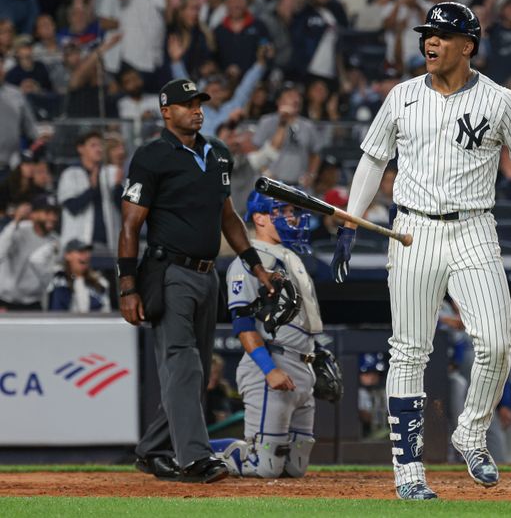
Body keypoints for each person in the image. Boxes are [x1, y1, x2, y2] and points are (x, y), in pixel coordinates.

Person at [329, 2, 511, 500]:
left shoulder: (502, 100)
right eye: (428, 34)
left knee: (496, 342)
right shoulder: (401, 96)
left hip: (473, 229)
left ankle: (470, 432)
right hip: (412, 232)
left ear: (468, 44)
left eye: (442, 36)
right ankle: (408, 473)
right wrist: (351, 225)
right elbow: (373, 159)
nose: (430, 42)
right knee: (409, 352)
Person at [117, 77, 282, 484]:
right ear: (166, 111)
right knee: (184, 365)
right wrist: (127, 286)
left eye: (199, 103)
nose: (197, 109)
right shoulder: (152, 156)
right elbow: (130, 224)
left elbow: (229, 218)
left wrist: (255, 265)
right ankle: (194, 457)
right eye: (187, 104)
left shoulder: (218, 154)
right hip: (169, 272)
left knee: (191, 370)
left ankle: (154, 449)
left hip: (209, 276)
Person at [210, 190, 321, 478]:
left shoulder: (289, 257)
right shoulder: (249, 262)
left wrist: (317, 355)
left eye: (290, 212)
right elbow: (242, 324)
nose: (291, 218)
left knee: (294, 467)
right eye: (281, 212)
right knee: (265, 466)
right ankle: (199, 450)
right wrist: (269, 369)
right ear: (258, 218)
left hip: (301, 364)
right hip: (272, 363)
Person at [57, 131, 124, 254]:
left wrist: (118, 186)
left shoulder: (109, 173)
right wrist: (92, 189)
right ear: (81, 149)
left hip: (109, 245)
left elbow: (123, 209)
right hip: (79, 245)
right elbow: (73, 207)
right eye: (93, 145)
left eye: (100, 145)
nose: (98, 149)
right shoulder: (70, 174)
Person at [250, 84, 323, 187]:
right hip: (270, 184)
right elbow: (254, 149)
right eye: (290, 96)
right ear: (279, 101)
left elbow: (316, 154)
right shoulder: (267, 121)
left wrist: (311, 175)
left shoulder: (308, 126)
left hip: (297, 186)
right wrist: (265, 171)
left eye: (297, 96)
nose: (295, 99)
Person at [0, 194, 59, 310]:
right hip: (6, 301)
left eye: (55, 213)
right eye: (47, 213)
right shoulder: (19, 230)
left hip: (33, 303)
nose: (52, 218)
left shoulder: (56, 241)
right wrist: (15, 221)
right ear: (33, 214)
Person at [46, 239, 111, 312]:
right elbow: (35, 260)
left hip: (92, 322)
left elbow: (106, 312)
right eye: (81, 251)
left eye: (87, 252)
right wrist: (51, 246)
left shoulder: (100, 282)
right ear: (68, 255)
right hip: (59, 322)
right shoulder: (56, 276)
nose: (86, 255)